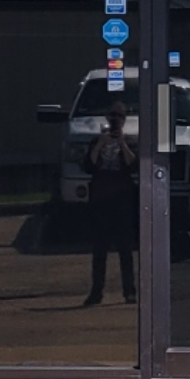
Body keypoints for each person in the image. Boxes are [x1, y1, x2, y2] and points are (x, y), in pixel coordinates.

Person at [83, 98, 138, 307]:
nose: (116, 120)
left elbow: (133, 165)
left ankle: (129, 291)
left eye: (120, 116)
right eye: (112, 115)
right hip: (101, 200)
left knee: (125, 249)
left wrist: (122, 142)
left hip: (121, 200)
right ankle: (96, 292)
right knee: (99, 250)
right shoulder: (96, 141)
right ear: (107, 117)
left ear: (125, 120)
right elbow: (89, 165)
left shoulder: (130, 141)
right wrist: (100, 143)